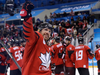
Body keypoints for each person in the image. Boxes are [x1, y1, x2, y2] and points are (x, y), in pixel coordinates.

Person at [20, 1, 52, 75]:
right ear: (39, 31)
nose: (48, 32)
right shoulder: (37, 37)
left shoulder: (47, 46)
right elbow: (28, 34)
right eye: (45, 30)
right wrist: (27, 17)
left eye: (50, 31)